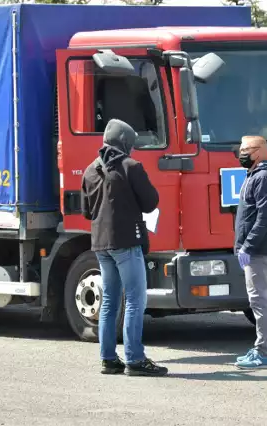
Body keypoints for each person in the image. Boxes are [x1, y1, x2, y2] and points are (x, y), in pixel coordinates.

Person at [80, 118, 168, 377]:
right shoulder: (131, 167)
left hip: (100, 244)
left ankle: (108, 359)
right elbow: (151, 202)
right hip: (126, 243)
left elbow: (86, 211)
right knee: (135, 300)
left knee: (109, 301)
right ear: (126, 143)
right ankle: (135, 359)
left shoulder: (89, 170)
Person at [233, 135, 267, 369]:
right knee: (258, 299)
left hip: (257, 250)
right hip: (252, 249)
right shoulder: (253, 175)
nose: (242, 153)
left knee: (259, 300)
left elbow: (265, 218)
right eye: (241, 149)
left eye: (247, 149)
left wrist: (248, 246)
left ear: (260, 151)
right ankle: (262, 350)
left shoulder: (263, 177)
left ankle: (263, 353)